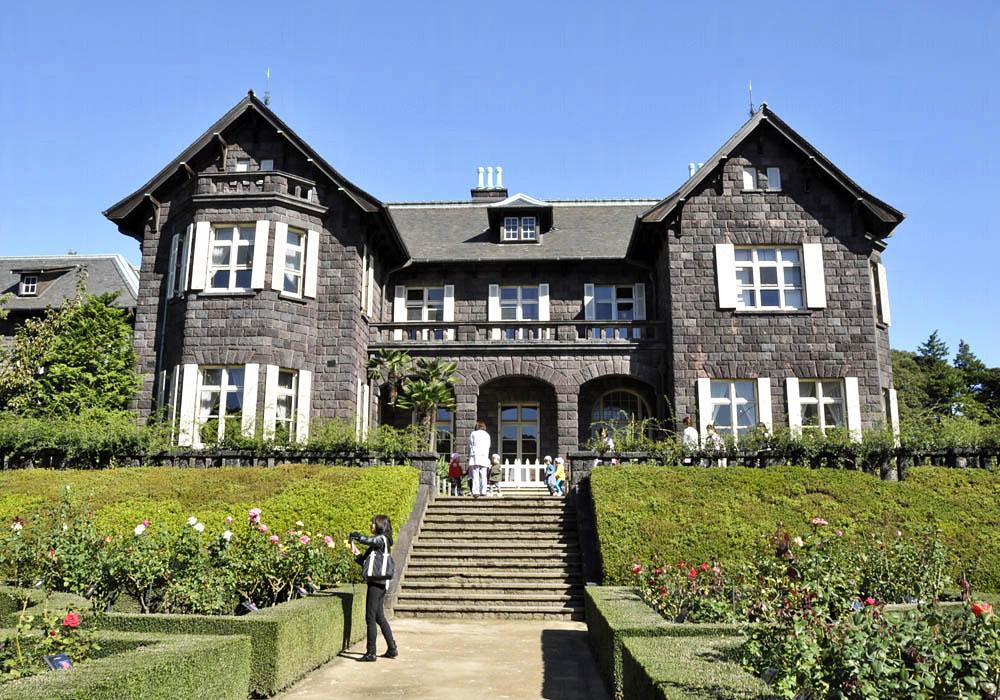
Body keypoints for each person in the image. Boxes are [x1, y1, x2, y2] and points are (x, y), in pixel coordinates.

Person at [349, 515, 398, 662]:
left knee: (370, 618)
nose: (371, 525)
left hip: (376, 584)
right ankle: (392, 649)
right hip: (380, 583)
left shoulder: (382, 539)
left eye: (373, 523)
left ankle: (371, 653)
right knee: (379, 617)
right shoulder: (378, 544)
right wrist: (356, 552)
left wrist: (358, 536)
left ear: (380, 525)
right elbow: (366, 563)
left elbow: (370, 540)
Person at [468, 419, 491, 498]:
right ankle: (483, 491)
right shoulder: (487, 435)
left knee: (475, 475)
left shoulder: (473, 433)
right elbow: (488, 446)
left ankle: (476, 491)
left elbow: (470, 444)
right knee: (483, 475)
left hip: (475, 456)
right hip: (484, 456)